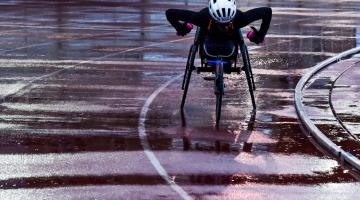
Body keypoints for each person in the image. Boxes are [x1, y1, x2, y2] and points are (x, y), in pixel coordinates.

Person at [165, 0, 272, 58]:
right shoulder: (202, 17)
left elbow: (267, 11)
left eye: (226, 22)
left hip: (229, 41)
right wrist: (259, 35)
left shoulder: (240, 18)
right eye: (219, 23)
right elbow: (169, 13)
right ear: (212, 16)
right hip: (208, 39)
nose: (223, 26)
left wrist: (182, 29)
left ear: (232, 16)